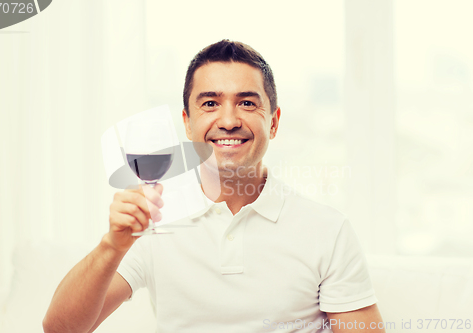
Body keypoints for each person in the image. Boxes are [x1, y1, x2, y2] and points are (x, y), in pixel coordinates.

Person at [43, 40, 386, 333]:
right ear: (187, 124)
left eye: (247, 103)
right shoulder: (153, 221)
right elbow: (59, 328)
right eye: (210, 103)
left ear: (274, 121)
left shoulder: (327, 230)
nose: (228, 121)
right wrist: (111, 246)